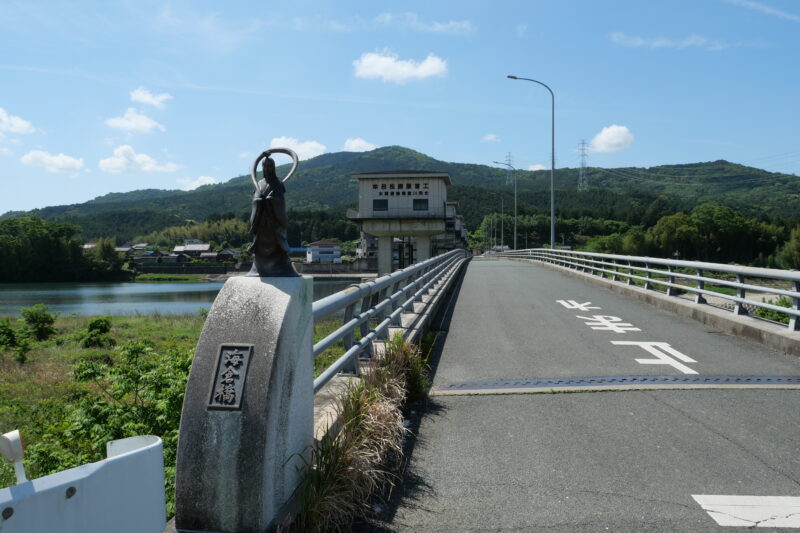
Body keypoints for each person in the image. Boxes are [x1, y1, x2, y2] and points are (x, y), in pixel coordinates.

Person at [247, 154, 297, 277]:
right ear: (262, 167)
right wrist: (258, 201)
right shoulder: (259, 183)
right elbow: (255, 200)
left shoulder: (278, 183)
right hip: (261, 224)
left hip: (274, 223)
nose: (268, 168)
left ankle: (281, 269)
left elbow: (281, 202)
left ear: (274, 167)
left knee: (278, 246)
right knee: (260, 247)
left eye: (270, 166)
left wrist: (272, 200)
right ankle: (259, 269)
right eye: (266, 166)